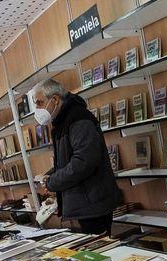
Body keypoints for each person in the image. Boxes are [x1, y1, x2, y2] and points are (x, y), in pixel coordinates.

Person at [31, 78, 121, 235]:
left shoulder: (78, 119)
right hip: (86, 203)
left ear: (55, 100)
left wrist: (53, 181)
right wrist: (50, 175)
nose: (37, 109)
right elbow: (67, 160)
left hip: (93, 205)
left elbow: (84, 161)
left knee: (99, 251)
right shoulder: (63, 121)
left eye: (39, 103)